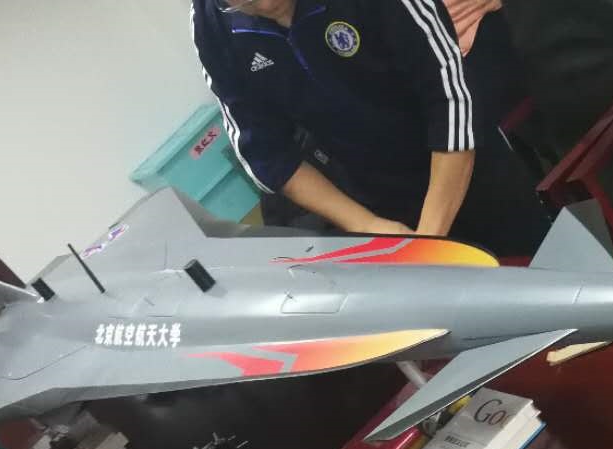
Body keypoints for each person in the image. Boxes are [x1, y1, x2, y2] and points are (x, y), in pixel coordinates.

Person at [190, 0, 552, 257]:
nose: (267, 5)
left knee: (545, 281)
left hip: (466, 170)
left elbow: (449, 97)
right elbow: (267, 155)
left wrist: (430, 240)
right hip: (377, 201)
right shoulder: (211, 26)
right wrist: (365, 223)